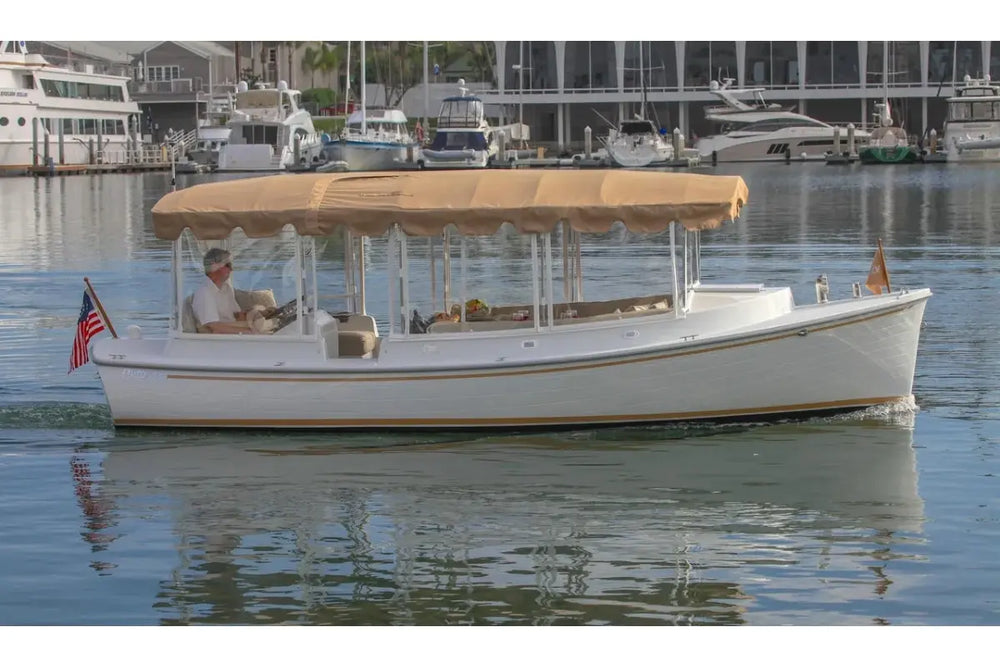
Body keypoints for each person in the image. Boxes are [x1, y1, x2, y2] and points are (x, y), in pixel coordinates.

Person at [191, 248, 273, 334]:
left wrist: (260, 313)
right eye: (228, 265)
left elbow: (236, 315)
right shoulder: (204, 293)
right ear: (214, 267)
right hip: (224, 341)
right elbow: (215, 327)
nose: (231, 269)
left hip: (235, 330)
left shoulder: (226, 287)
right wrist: (249, 332)